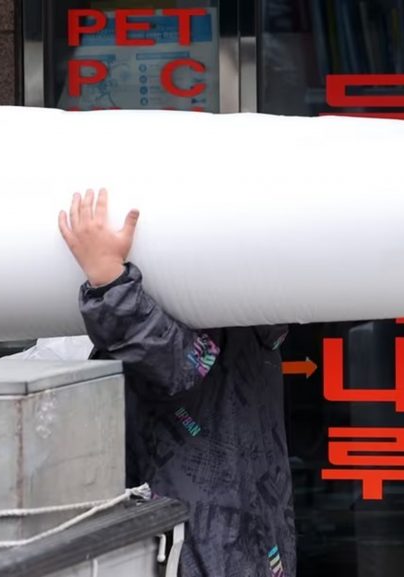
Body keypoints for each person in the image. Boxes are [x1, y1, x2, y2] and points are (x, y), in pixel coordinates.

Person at [58, 188, 297, 577]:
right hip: (241, 543)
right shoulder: (250, 313)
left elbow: (181, 364)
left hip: (207, 546)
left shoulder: (230, 317)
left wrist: (109, 283)